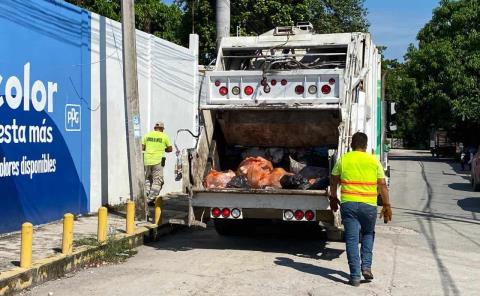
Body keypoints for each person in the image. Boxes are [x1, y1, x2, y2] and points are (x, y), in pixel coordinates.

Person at [329, 132, 392, 287]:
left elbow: (334, 180)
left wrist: (333, 198)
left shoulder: (343, 160)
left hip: (349, 205)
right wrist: (387, 205)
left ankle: (355, 276)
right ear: (365, 145)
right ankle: (366, 267)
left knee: (351, 239)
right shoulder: (373, 160)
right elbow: (382, 184)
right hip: (369, 206)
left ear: (352, 144)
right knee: (368, 234)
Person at [142, 121, 172, 203]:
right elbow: (170, 149)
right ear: (162, 129)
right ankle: (149, 200)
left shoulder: (147, 135)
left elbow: (142, 147)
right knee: (158, 181)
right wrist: (163, 148)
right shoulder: (164, 136)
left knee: (148, 179)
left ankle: (145, 196)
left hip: (146, 160)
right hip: (158, 161)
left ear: (155, 128)